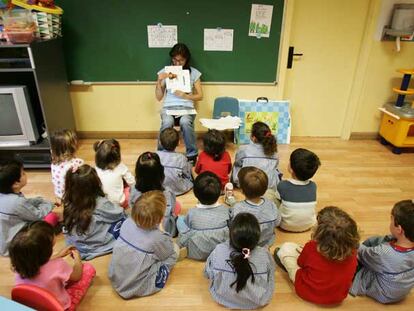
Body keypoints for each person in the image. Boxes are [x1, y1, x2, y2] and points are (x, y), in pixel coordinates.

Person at [274, 206, 360, 305]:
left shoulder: (311, 247)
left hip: (306, 291)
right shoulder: (353, 252)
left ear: (320, 233)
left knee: (286, 248)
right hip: (338, 297)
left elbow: (300, 263)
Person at [9, 221, 96, 311]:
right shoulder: (58, 265)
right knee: (88, 268)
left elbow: (38, 263)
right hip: (57, 307)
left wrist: (58, 255)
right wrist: (78, 259)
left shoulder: (19, 265)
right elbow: (77, 276)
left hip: (31, 305)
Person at [109, 191, 179, 298]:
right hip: (136, 285)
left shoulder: (127, 222)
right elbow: (168, 252)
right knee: (175, 250)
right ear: (160, 219)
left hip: (117, 276)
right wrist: (162, 231)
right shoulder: (157, 237)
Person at [204, 213, 275, 309]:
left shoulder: (219, 250)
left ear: (231, 234)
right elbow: (271, 275)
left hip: (222, 298)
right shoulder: (264, 254)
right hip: (259, 301)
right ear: (257, 236)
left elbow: (208, 273)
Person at [350, 200, 414, 303]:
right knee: (379, 240)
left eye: (391, 220)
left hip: (383, 293)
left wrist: (352, 241)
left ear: (399, 229)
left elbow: (361, 253)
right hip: (399, 289)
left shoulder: (383, 253)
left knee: (350, 258)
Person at [63, 164, 126, 260]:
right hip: (96, 243)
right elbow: (118, 214)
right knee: (126, 223)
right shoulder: (100, 203)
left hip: (77, 244)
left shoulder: (68, 202)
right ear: (95, 183)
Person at [155, 43, 203, 164]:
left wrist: (186, 96)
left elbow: (200, 96)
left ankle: (192, 154)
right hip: (169, 107)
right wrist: (159, 81)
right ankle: (161, 152)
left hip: (186, 108)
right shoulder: (165, 72)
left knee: (185, 122)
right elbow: (159, 97)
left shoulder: (194, 73)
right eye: (175, 60)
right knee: (167, 122)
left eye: (181, 60)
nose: (177, 63)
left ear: (186, 59)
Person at [0, 159, 59, 256]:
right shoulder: (17, 202)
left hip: (5, 239)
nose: (25, 174)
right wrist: (49, 203)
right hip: (15, 245)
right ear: (15, 183)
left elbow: (25, 203)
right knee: (51, 218)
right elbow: (37, 215)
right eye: (23, 173)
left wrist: (39, 200)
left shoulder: (6, 196)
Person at [177, 172, 230, 260]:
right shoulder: (226, 210)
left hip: (197, 252)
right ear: (220, 192)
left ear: (195, 194)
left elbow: (189, 226)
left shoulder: (192, 212)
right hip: (220, 251)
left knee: (180, 219)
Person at [129, 152, 178, 236]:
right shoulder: (168, 193)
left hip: (139, 226)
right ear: (160, 173)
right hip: (162, 230)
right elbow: (171, 211)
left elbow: (131, 206)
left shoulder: (133, 189)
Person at [231, 167, 281, 248]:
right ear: (265, 189)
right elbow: (278, 222)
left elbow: (232, 226)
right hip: (266, 242)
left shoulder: (237, 208)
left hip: (244, 242)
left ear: (242, 190)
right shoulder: (271, 205)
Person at [277, 148, 321, 232]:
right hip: (309, 225)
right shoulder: (313, 186)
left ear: (291, 169)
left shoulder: (282, 185)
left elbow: (278, 198)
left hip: (285, 225)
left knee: (270, 195)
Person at [231, 121, 281, 193]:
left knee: (236, 165)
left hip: (248, 185)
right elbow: (276, 165)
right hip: (268, 185)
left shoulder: (243, 150)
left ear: (253, 138)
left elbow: (237, 163)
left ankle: (236, 185)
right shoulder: (274, 152)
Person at [94, 139, 135, 208]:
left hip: (103, 204)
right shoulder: (121, 166)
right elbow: (132, 182)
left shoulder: (95, 169)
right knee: (129, 188)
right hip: (119, 202)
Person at [50, 129, 84, 202]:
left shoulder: (54, 161)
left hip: (59, 193)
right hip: (71, 196)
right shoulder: (75, 164)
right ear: (73, 148)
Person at [157, 128, 193, 196]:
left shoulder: (156, 155)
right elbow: (186, 173)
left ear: (160, 142)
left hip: (159, 187)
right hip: (178, 188)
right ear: (178, 143)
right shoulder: (182, 158)